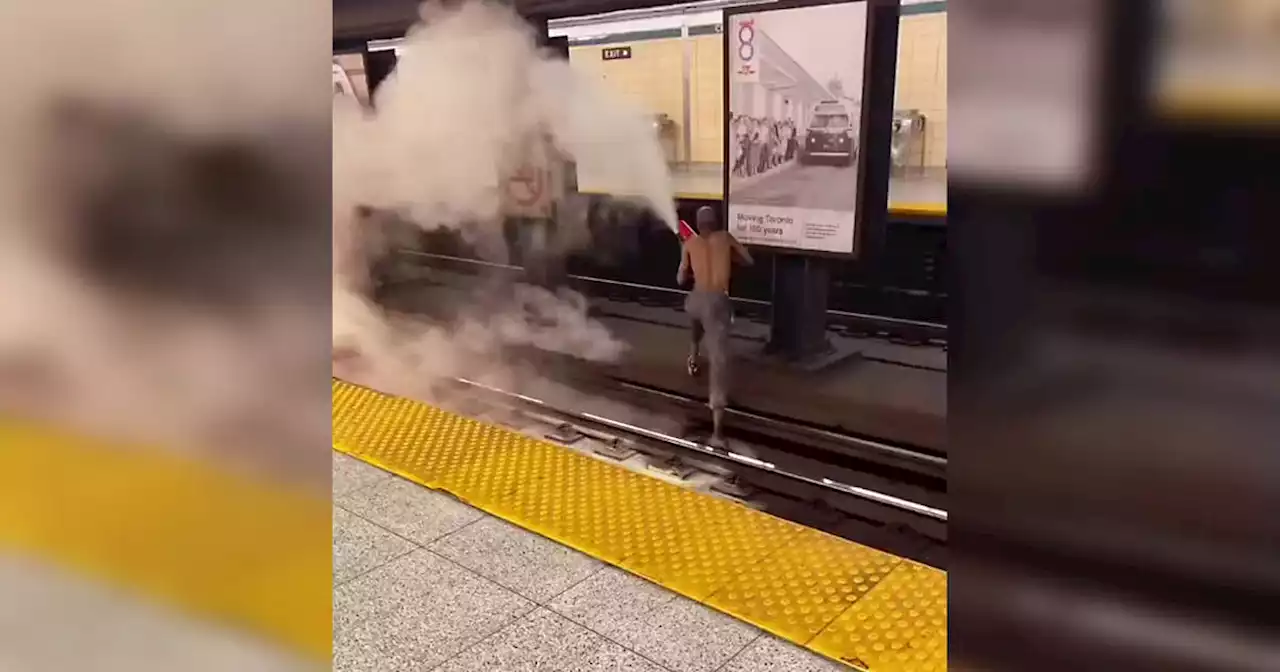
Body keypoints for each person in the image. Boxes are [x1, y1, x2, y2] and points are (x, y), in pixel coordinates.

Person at [676, 206, 753, 447]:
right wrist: (731, 258)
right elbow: (749, 260)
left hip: (697, 298)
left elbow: (680, 279)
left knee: (694, 313)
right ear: (716, 222)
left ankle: (692, 356)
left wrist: (688, 261)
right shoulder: (726, 238)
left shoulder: (690, 244)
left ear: (698, 224)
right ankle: (718, 433)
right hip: (718, 301)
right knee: (719, 361)